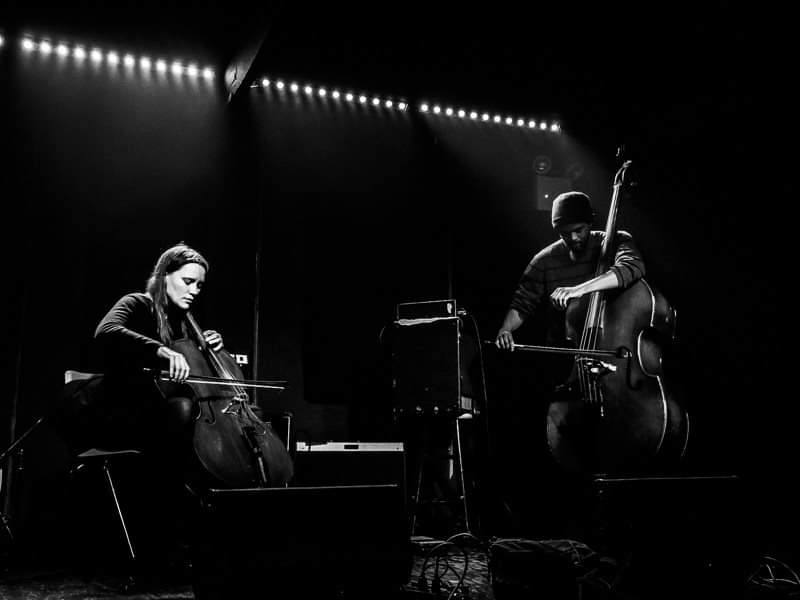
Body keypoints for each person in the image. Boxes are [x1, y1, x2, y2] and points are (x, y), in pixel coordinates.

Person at [495, 191, 645, 351]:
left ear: (590, 222)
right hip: (564, 351)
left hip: (610, 346)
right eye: (565, 233)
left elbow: (632, 266)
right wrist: (506, 329)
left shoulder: (617, 241)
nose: (573, 238)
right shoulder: (543, 260)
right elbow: (522, 303)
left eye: (579, 230)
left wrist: (578, 290)